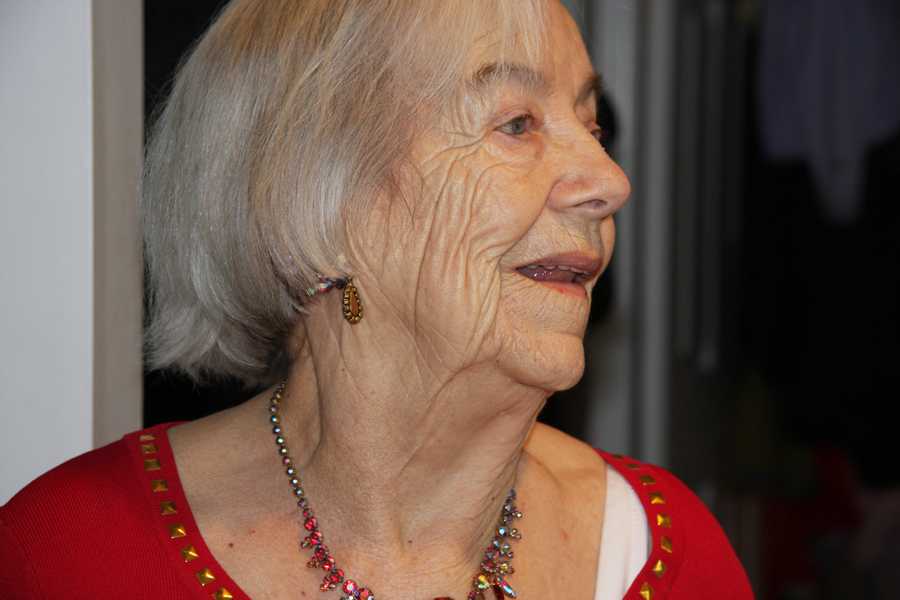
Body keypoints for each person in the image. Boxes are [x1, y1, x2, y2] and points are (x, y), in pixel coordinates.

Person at [0, 1, 752, 598]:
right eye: (516, 124)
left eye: (592, 126)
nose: (610, 180)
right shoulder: (72, 556)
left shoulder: (670, 556)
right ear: (315, 207)